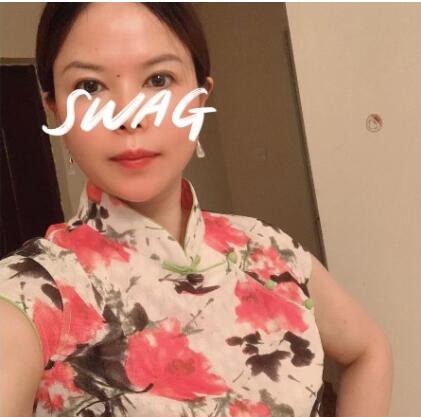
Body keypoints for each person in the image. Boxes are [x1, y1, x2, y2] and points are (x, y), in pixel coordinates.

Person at [0, 3, 392, 417]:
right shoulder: (35, 291)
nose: (129, 116)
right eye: (90, 87)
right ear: (55, 108)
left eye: (158, 79)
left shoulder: (267, 249)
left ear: (200, 99)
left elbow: (369, 351)